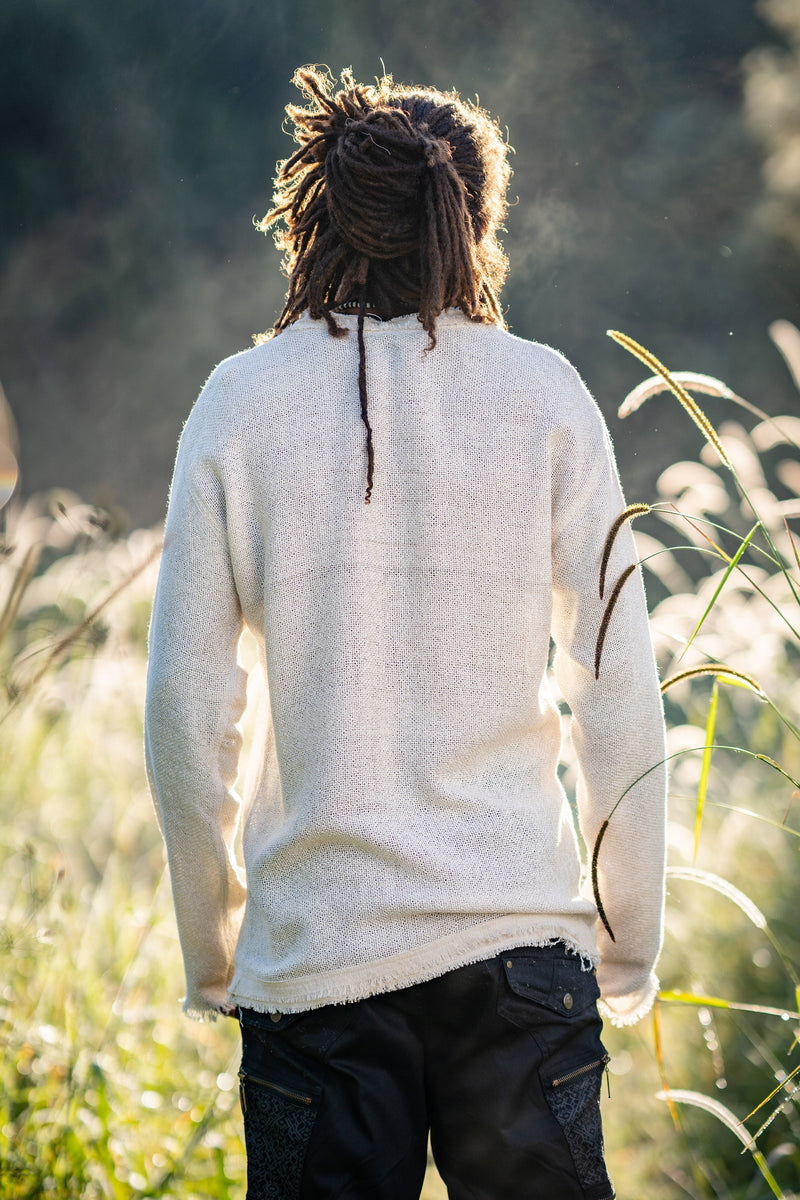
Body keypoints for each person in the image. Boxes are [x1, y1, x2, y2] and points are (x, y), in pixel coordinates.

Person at [145, 65, 667, 1200]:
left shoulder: (239, 402)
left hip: (315, 971)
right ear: (470, 220)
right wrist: (625, 934)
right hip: (521, 958)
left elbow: (188, 719)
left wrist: (217, 946)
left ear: (318, 215)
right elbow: (617, 695)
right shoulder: (545, 395)